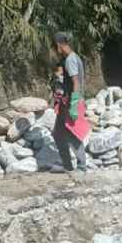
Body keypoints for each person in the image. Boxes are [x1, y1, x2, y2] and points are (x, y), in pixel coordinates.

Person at [52, 32, 88, 173]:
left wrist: (73, 104)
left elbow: (76, 82)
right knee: (58, 133)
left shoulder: (71, 60)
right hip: (65, 102)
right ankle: (67, 165)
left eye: (55, 48)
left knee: (72, 133)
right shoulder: (70, 58)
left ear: (59, 45)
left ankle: (81, 166)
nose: (55, 51)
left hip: (72, 102)